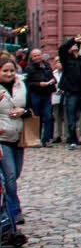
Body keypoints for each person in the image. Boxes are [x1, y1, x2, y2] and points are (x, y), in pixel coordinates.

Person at [0, 58, 29, 227]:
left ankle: (7, 206)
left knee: (15, 174)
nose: (9, 74)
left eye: (11, 70)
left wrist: (23, 111)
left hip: (18, 137)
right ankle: (14, 212)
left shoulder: (21, 85)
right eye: (5, 71)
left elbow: (30, 106)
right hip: (2, 136)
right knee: (10, 177)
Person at [58, 35, 81, 150]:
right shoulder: (66, 58)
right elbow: (62, 48)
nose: (74, 46)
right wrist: (73, 40)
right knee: (71, 118)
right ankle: (73, 140)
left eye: (76, 45)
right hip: (72, 92)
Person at [25, 49, 57, 147]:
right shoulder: (29, 68)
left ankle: (46, 139)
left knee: (48, 117)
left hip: (47, 94)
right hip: (35, 94)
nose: (37, 57)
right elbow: (27, 83)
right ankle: (36, 138)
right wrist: (39, 84)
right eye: (35, 56)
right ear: (31, 57)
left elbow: (52, 77)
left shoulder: (46, 66)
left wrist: (51, 81)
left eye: (38, 55)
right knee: (36, 117)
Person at [51, 57, 64, 145]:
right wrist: (58, 90)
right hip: (55, 96)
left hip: (65, 96)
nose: (59, 63)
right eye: (57, 61)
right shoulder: (53, 73)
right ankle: (56, 135)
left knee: (66, 116)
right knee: (56, 117)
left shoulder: (67, 72)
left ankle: (67, 135)